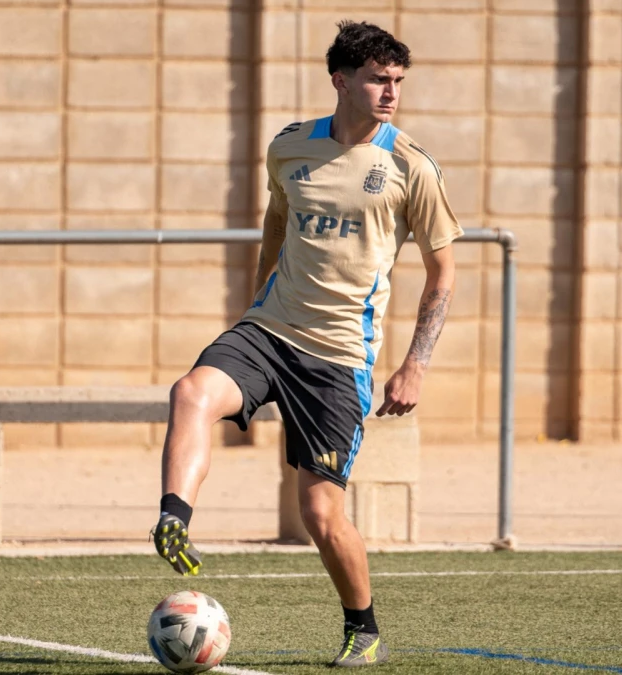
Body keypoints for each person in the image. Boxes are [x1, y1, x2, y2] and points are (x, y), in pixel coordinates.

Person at [151, 19, 461, 668]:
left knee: (320, 512)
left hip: (340, 358)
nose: (390, 92)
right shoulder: (290, 147)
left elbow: (443, 273)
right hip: (269, 330)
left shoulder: (411, 167)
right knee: (190, 391)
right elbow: (276, 221)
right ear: (341, 81)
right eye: (378, 79)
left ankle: (363, 625)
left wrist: (415, 365)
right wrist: (256, 300)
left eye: (398, 81)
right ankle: (174, 516)